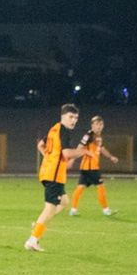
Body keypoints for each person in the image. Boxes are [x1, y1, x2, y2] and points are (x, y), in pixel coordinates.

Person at [25, 103, 88, 252]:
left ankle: (39, 224)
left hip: (50, 173)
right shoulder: (64, 131)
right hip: (53, 174)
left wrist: (49, 159)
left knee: (64, 202)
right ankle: (33, 240)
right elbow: (67, 154)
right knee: (50, 208)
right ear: (63, 116)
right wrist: (84, 152)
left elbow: (40, 145)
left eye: (76, 118)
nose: (74, 120)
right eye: (71, 117)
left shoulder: (54, 128)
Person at [68, 115, 119, 217]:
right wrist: (72, 159)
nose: (99, 126)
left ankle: (73, 210)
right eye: (96, 124)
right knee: (101, 187)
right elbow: (79, 147)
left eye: (101, 124)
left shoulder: (98, 137)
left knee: (80, 188)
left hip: (88, 168)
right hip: (90, 168)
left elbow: (102, 149)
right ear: (92, 125)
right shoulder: (88, 135)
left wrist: (110, 157)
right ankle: (106, 210)